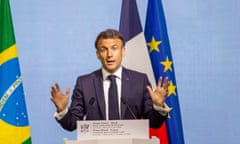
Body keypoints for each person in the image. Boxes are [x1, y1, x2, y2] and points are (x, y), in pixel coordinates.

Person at [50, 29, 171, 131]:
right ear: (98, 54)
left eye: (114, 48)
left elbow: (154, 123)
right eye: (104, 49)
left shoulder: (139, 81)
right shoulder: (84, 83)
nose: (109, 54)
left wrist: (158, 106)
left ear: (123, 51)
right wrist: (63, 110)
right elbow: (72, 124)